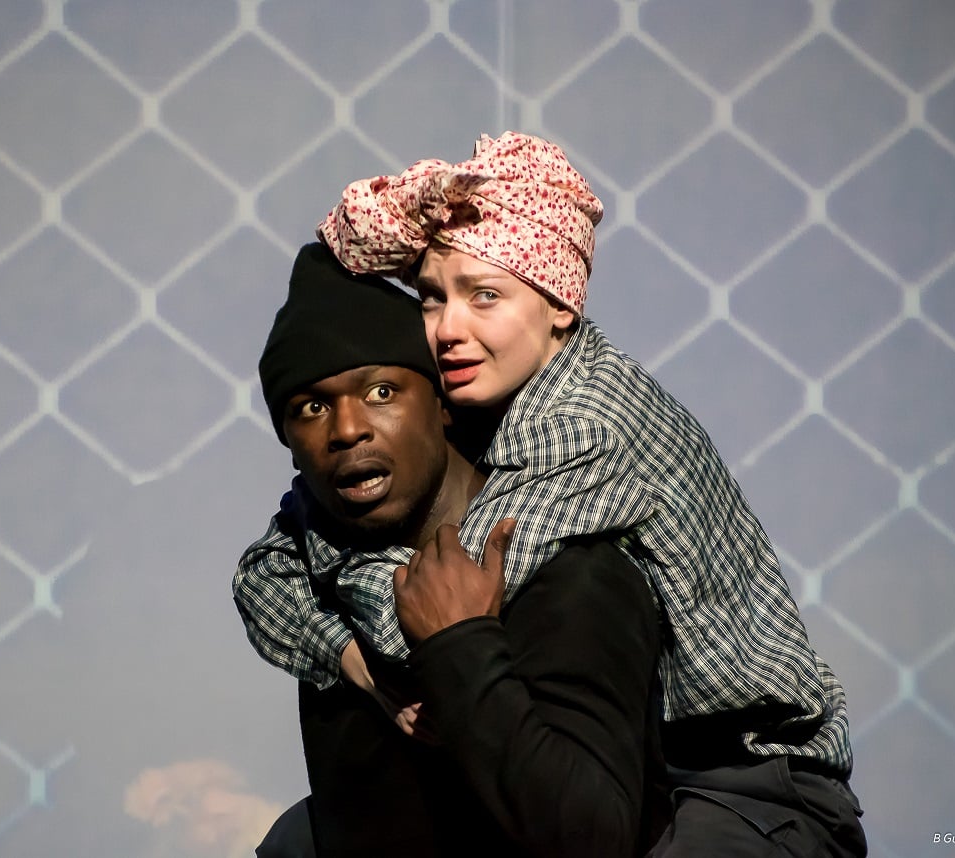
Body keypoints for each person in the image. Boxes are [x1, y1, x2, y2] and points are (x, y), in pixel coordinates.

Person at [236, 132, 866, 856]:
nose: (448, 330)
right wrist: (347, 656)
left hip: (754, 783)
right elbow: (261, 576)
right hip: (657, 770)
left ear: (560, 307)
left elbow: (438, 602)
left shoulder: (582, 427)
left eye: (486, 296)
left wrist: (339, 570)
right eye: (433, 298)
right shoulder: (492, 401)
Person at [245, 242, 667, 856]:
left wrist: (461, 647)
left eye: (381, 392)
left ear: (442, 404)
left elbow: (595, 837)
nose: (347, 430)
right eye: (310, 407)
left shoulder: (573, 575)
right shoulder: (321, 592)